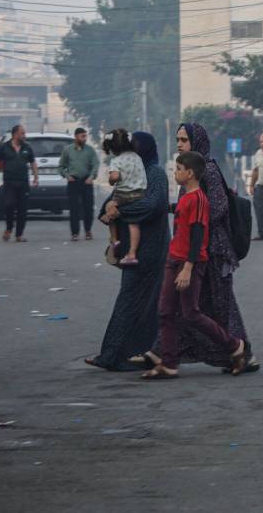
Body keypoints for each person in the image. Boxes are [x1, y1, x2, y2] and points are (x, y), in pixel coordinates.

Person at [129, 123, 258, 375]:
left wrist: (193, 217)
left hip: (212, 249)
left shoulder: (206, 169)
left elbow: (219, 206)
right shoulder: (188, 169)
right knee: (187, 305)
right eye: (178, 139)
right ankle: (164, 353)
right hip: (195, 248)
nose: (179, 144)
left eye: (184, 139)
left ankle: (242, 352)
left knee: (220, 306)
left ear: (196, 142)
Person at [85, 132, 169, 371]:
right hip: (133, 250)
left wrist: (120, 210)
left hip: (151, 249)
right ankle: (137, 353)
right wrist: (110, 207)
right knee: (138, 302)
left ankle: (113, 356)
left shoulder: (155, 174)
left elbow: (153, 205)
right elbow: (110, 201)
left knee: (133, 301)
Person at [103, 129, 147, 267]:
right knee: (134, 224)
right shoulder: (137, 157)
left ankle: (114, 239)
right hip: (139, 194)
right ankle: (132, 254)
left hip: (122, 195)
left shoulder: (117, 160)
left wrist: (111, 180)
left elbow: (115, 177)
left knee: (109, 207)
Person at [0, 124, 38, 243]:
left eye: (24, 133)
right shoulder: (4, 147)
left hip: (23, 182)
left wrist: (36, 177)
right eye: (22, 133)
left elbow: (33, 162)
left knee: (22, 209)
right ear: (15, 134)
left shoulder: (27, 147)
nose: (24, 136)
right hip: (9, 182)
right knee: (9, 205)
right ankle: (9, 228)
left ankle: (19, 235)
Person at [59, 127, 99, 242]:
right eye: (82, 136)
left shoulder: (90, 150)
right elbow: (61, 166)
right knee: (74, 208)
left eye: (85, 136)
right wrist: (67, 176)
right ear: (76, 137)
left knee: (88, 208)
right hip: (73, 182)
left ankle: (88, 231)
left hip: (86, 181)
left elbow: (95, 165)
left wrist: (91, 177)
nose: (84, 138)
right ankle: (75, 233)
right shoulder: (68, 150)